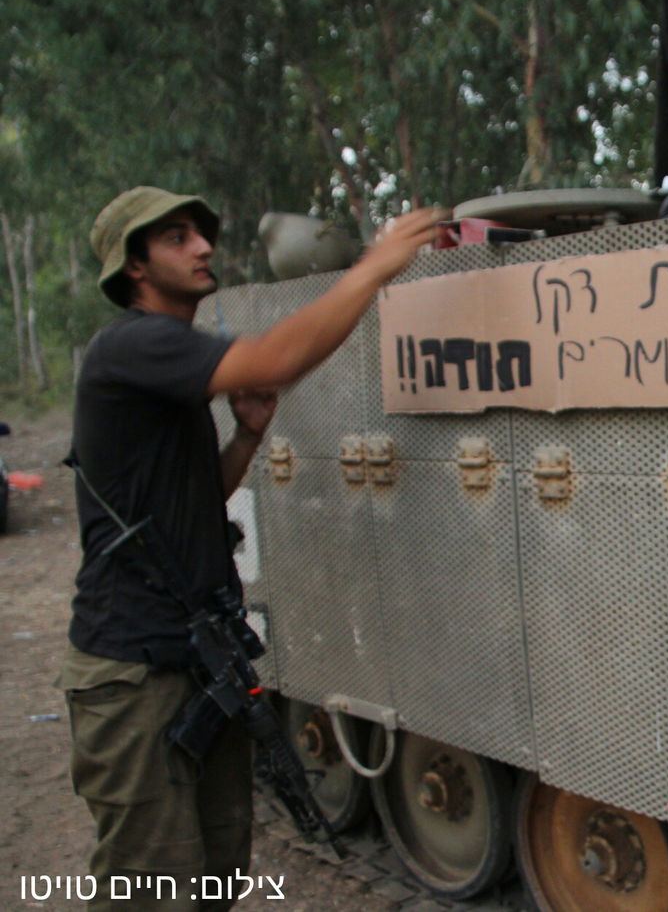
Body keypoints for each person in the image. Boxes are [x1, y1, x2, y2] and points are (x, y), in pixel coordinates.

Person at [61, 186, 442, 911]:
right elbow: (270, 355)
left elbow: (195, 499)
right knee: (151, 890)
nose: (203, 248)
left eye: (201, 234)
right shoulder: (134, 343)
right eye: (176, 238)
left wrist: (247, 436)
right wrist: (374, 266)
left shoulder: (163, 370)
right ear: (134, 267)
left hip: (192, 661)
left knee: (215, 878)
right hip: (133, 675)